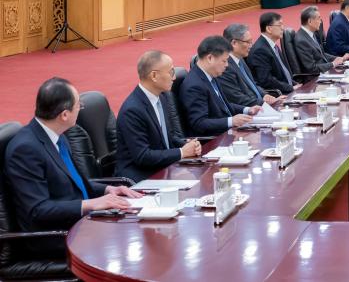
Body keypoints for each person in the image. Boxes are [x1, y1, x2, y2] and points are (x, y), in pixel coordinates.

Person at [4, 78, 142, 257]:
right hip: (54, 235)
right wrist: (90, 204)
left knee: (137, 222)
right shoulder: (25, 149)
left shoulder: (57, 135)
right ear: (64, 115)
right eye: (79, 106)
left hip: (79, 222)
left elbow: (73, 182)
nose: (80, 109)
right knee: (130, 240)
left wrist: (108, 189)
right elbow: (38, 210)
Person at [115, 51, 203, 183]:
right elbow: (142, 156)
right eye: (171, 72)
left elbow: (168, 137)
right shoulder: (132, 110)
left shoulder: (162, 97)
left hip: (163, 168)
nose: (174, 78)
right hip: (140, 177)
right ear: (154, 76)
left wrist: (188, 145)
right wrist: (181, 152)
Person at [179, 36, 260, 136]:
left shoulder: (211, 75)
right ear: (210, 58)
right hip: (216, 139)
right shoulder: (194, 86)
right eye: (224, 61)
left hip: (229, 133)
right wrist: (231, 121)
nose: (227, 65)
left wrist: (247, 110)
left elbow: (223, 105)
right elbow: (199, 123)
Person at [219, 23, 280, 107]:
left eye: (251, 42)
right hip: (249, 110)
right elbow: (238, 98)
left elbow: (252, 84)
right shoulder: (225, 67)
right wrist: (264, 104)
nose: (251, 46)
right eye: (248, 42)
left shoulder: (240, 58)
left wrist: (264, 95)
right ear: (234, 43)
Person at [246, 12, 296, 95]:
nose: (282, 28)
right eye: (279, 25)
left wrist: (294, 84)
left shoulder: (273, 46)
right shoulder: (260, 50)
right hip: (279, 94)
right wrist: (290, 88)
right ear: (269, 29)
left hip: (288, 88)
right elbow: (266, 80)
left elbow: (283, 73)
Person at [293, 6, 348, 74]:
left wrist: (337, 58)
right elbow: (311, 68)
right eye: (318, 18)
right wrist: (333, 64)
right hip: (315, 77)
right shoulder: (302, 40)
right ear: (310, 21)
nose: (320, 21)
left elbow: (321, 54)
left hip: (323, 71)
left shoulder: (310, 34)